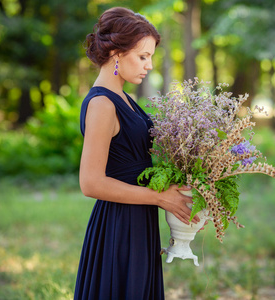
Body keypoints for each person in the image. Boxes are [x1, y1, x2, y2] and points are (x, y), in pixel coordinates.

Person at [74, 7, 200, 300]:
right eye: (143, 56)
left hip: (137, 217)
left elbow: (136, 164)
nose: (150, 65)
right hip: (119, 224)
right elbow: (90, 183)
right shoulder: (103, 104)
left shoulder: (123, 98)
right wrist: (159, 197)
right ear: (117, 53)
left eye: (151, 57)